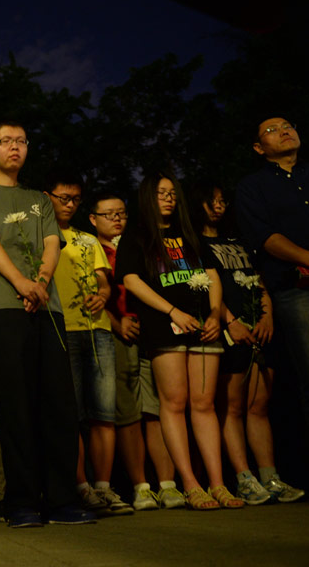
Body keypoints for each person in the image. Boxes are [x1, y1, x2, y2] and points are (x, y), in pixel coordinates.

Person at [0, 119, 93, 528]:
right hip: (2, 307)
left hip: (47, 307)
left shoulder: (38, 199)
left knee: (59, 405)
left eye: (21, 141)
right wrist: (20, 282)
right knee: (14, 406)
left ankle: (62, 498)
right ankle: (21, 501)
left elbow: (52, 242)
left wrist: (42, 282)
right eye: (5, 141)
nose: (14, 147)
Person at [116, 170, 242, 510]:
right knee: (174, 403)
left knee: (204, 404)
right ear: (147, 196)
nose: (168, 198)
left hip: (203, 325)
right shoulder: (137, 234)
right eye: (161, 193)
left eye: (172, 193)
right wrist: (172, 311)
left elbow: (212, 275)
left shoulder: (189, 233)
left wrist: (214, 314)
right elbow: (131, 280)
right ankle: (190, 484)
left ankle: (218, 483)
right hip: (164, 325)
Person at [191, 181, 304, 504]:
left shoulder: (239, 241)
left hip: (259, 329)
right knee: (232, 407)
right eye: (211, 201)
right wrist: (230, 321)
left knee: (259, 406)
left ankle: (270, 477)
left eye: (222, 201)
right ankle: (244, 478)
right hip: (231, 331)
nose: (218, 206)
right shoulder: (196, 243)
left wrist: (267, 317)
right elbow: (209, 288)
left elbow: (259, 282)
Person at [45, 171, 133, 517]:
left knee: (104, 414)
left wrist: (103, 295)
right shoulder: (42, 236)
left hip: (98, 330)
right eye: (63, 198)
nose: (69, 205)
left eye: (75, 199)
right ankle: (80, 485)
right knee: (73, 414)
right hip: (64, 328)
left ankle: (104, 486)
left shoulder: (87, 239)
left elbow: (104, 281)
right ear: (48, 197)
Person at [89, 193, 181, 510]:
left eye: (121, 213)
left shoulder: (142, 243)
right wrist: (117, 323)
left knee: (156, 409)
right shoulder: (91, 248)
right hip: (115, 333)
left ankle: (167, 484)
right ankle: (140, 486)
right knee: (127, 413)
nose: (116, 219)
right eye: (108, 214)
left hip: (151, 332)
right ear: (93, 219)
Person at [237, 116, 309, 436]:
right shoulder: (252, 187)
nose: (283, 131)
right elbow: (265, 237)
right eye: (271, 130)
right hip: (296, 288)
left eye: (287, 125)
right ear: (258, 148)